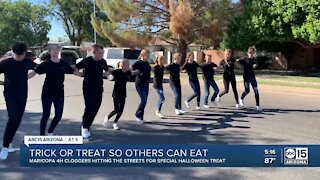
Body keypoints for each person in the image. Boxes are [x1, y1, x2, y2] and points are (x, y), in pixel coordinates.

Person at [28, 45, 83, 136]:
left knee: (58, 115)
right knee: (46, 115)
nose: (55, 51)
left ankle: (50, 132)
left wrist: (85, 74)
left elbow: (74, 72)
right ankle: (42, 135)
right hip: (47, 93)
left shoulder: (63, 64)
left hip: (59, 93)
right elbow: (34, 72)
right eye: (53, 49)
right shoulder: (46, 64)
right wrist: (22, 79)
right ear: (49, 52)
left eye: (57, 49)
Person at [0, 42, 37, 160]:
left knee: (18, 120)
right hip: (10, 94)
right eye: (18, 54)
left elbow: (39, 68)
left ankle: (9, 143)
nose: (20, 57)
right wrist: (2, 83)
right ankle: (5, 147)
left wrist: (28, 76)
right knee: (13, 118)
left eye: (22, 54)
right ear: (13, 52)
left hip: (22, 94)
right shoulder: (6, 63)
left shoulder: (27, 62)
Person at [75, 44, 112, 139]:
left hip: (99, 88)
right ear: (94, 52)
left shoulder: (103, 61)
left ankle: (88, 124)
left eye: (102, 53)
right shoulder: (87, 61)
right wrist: (80, 74)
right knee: (89, 107)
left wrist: (108, 73)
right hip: (88, 88)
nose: (102, 55)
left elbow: (106, 71)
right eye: (100, 53)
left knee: (96, 107)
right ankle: (84, 126)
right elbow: (75, 68)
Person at [103, 59, 131, 130]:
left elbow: (132, 74)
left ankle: (115, 123)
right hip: (116, 93)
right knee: (116, 109)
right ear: (123, 65)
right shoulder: (117, 71)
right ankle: (108, 117)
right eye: (127, 65)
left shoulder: (128, 72)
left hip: (123, 93)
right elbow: (109, 71)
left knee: (121, 110)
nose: (129, 66)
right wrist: (106, 70)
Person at [237, 47, 262, 111]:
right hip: (246, 77)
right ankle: (241, 99)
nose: (251, 54)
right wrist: (239, 65)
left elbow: (256, 63)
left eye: (252, 53)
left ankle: (257, 105)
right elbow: (237, 61)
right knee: (247, 90)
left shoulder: (254, 59)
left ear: (253, 53)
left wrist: (255, 65)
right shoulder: (244, 58)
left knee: (256, 90)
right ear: (247, 53)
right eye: (249, 53)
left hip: (252, 77)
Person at [132, 49, 151, 124]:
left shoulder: (147, 64)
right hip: (139, 84)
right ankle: (137, 115)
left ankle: (141, 117)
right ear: (143, 55)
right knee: (143, 100)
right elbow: (130, 69)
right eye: (147, 55)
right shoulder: (138, 63)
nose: (148, 56)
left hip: (146, 84)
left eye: (148, 55)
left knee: (145, 101)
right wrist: (137, 72)